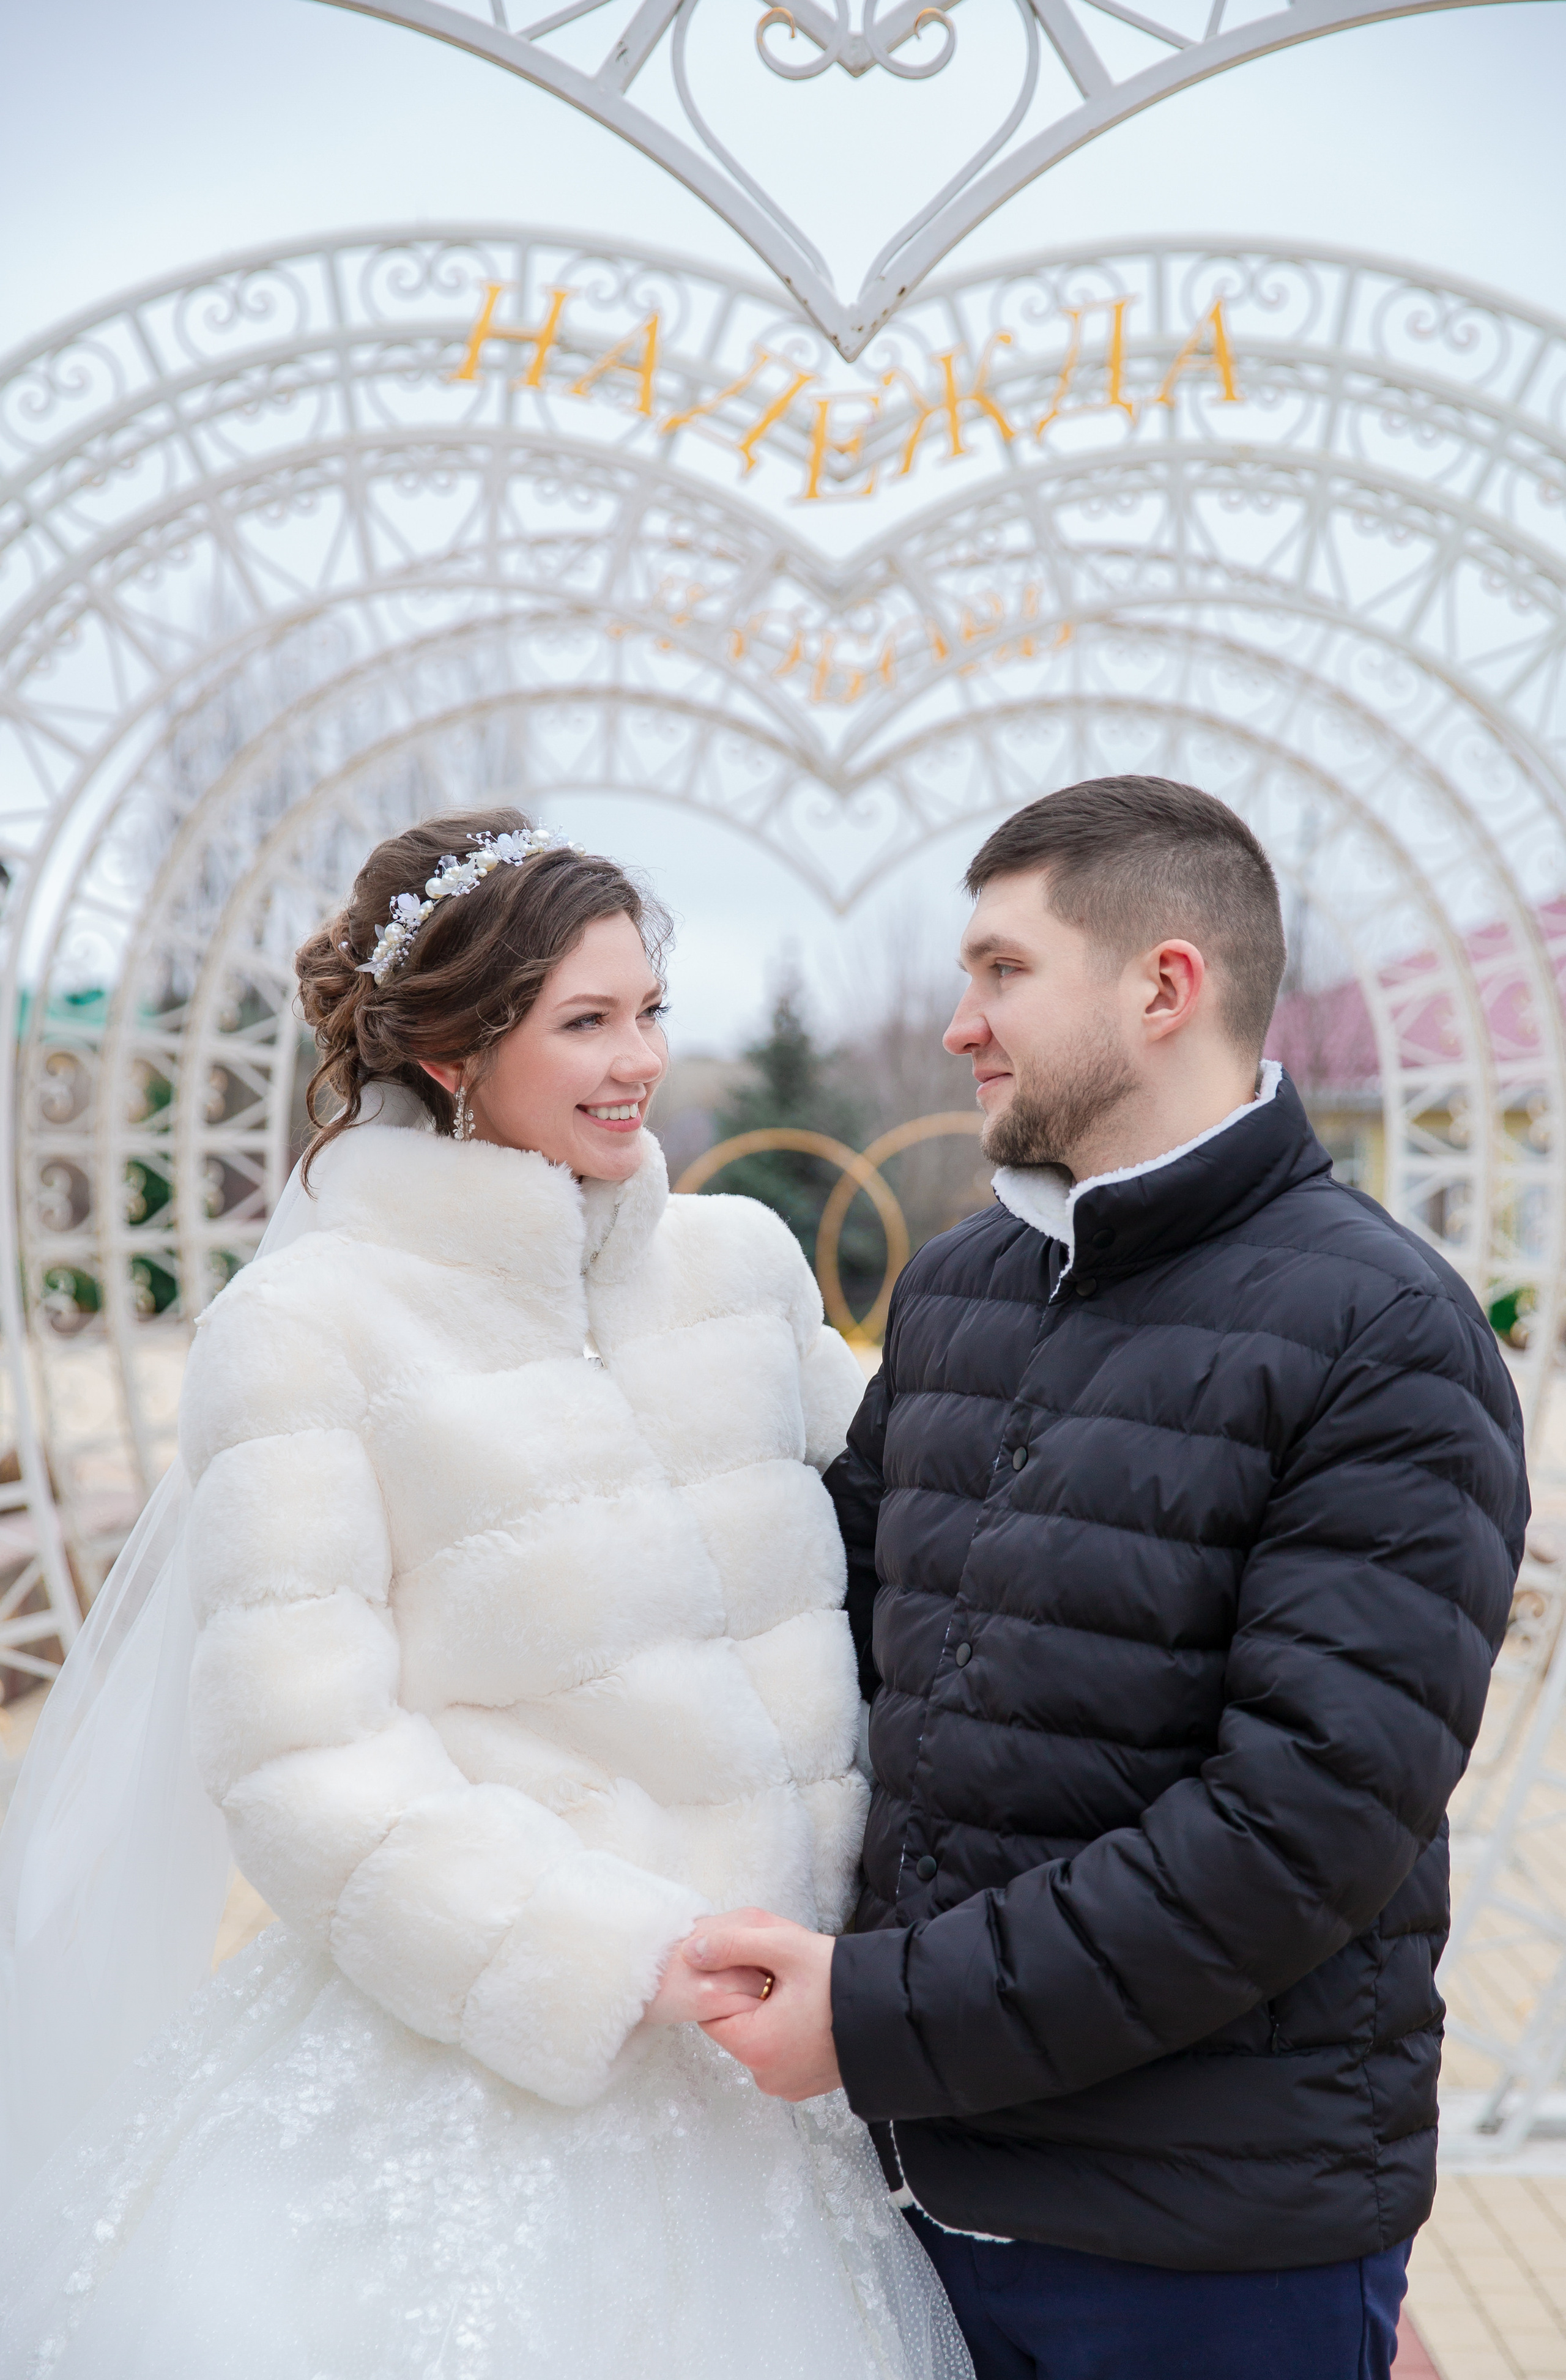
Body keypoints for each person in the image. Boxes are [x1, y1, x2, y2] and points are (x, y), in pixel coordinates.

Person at [0, 809, 972, 2380]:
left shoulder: (741, 1267)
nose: (636, 1059)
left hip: (792, 2074)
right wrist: (607, 1950)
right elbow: (299, 1754)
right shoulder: (310, 1327)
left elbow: (918, 1564)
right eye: (582, 1021)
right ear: (452, 1050)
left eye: (649, 1008)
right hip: (493, 2066)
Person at [681, 775, 1530, 2380]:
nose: (958, 1024)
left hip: (1199, 2248)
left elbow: (1296, 1833)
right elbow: (829, 1640)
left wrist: (871, 2020)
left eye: (1004, 968)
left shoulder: (1387, 1333)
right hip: (914, 2203)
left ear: (1163, 985)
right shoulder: (958, 1288)